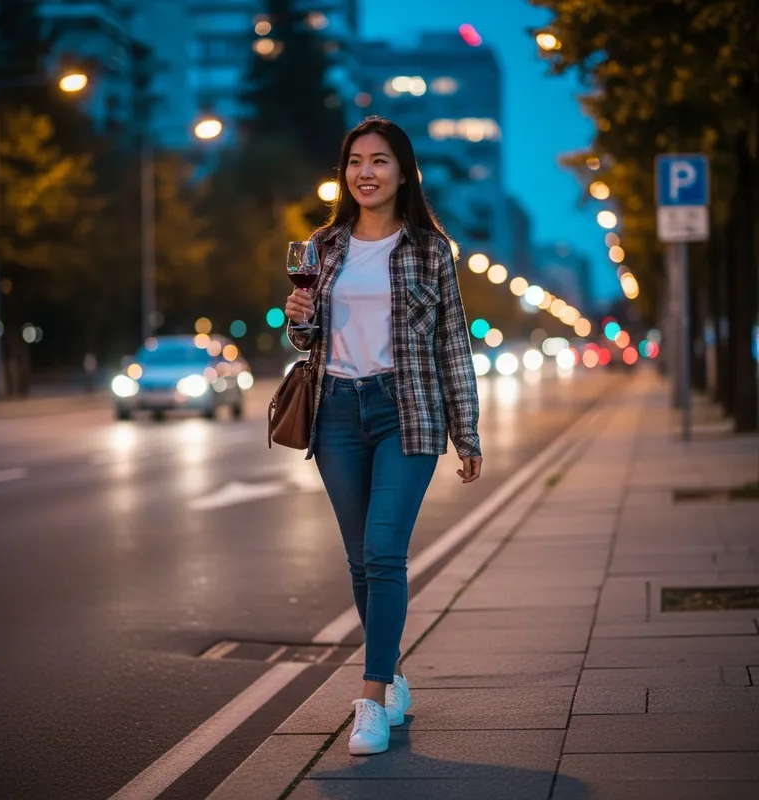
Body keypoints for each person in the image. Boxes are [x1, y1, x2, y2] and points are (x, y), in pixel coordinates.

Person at [284, 116, 482, 756]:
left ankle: (369, 699)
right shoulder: (324, 245)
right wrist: (300, 321)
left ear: (403, 172)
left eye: (379, 161)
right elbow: (307, 341)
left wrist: (467, 430)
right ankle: (393, 674)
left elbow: (452, 343)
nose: (365, 172)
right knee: (358, 560)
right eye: (355, 161)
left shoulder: (430, 250)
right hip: (337, 410)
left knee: (383, 553)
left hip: (408, 410)